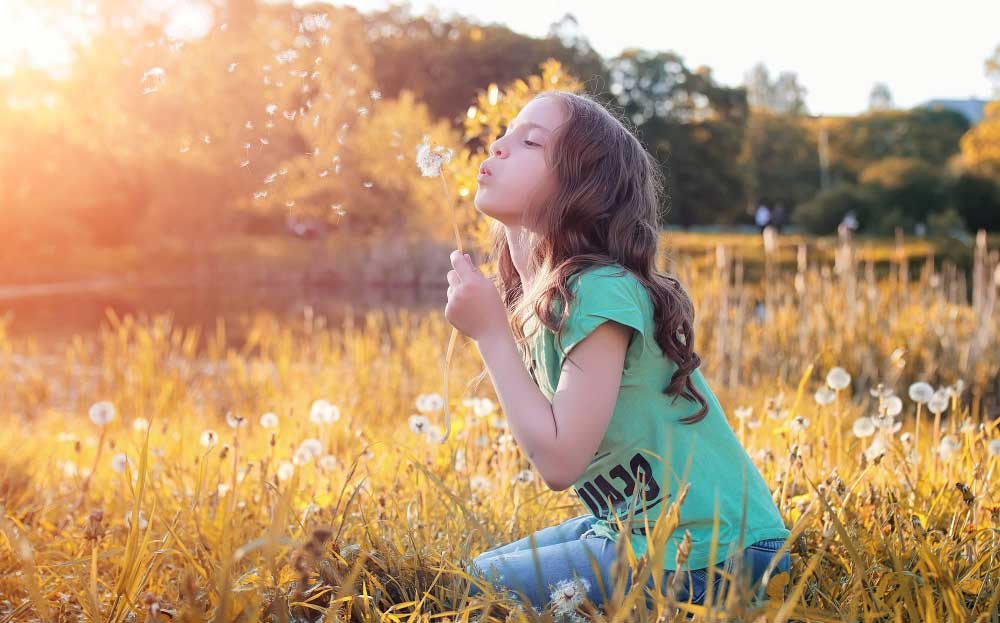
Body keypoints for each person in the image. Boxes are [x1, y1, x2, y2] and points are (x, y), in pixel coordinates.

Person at [443, 90, 792, 614]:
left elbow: (559, 460)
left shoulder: (600, 290)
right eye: (506, 134)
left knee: (474, 589)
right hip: (641, 527)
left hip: (717, 555)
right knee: (467, 575)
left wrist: (491, 333)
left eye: (529, 141)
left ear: (580, 186)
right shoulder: (557, 297)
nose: (498, 144)